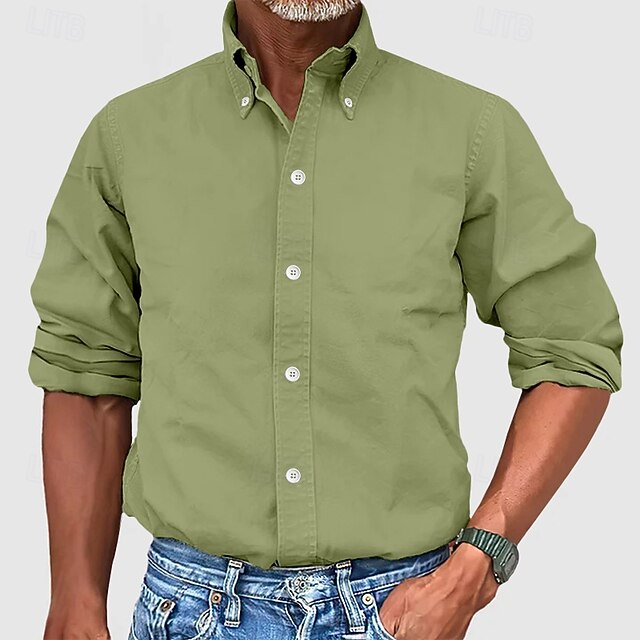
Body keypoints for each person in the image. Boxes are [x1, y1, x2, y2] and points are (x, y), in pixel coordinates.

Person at [27, 1, 623, 638]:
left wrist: (483, 556)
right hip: (190, 607)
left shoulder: (472, 130)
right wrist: (75, 600)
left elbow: (573, 345)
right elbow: (86, 372)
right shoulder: (129, 136)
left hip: (402, 608)